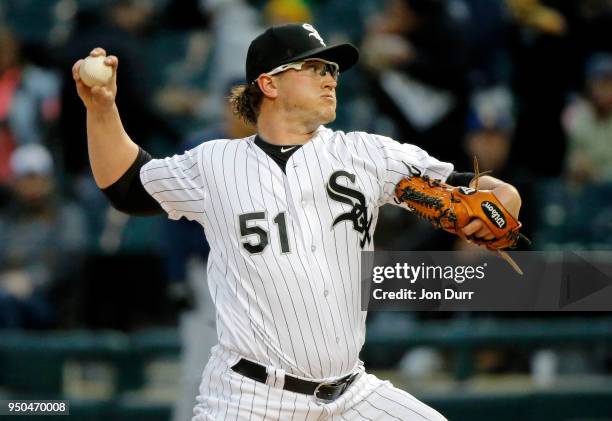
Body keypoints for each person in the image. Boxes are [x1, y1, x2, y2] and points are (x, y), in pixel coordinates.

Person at [72, 23, 521, 420]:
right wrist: (101, 108)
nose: (330, 78)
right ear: (269, 83)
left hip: (352, 394)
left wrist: (506, 198)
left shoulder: (366, 153)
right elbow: (127, 186)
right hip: (249, 398)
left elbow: (478, 189)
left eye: (333, 70)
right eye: (315, 68)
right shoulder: (213, 163)